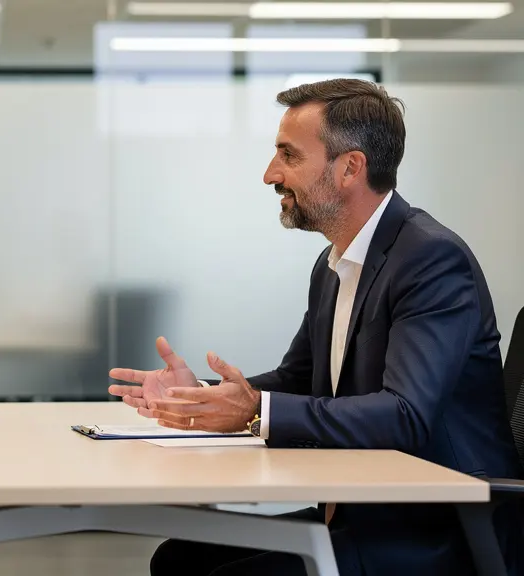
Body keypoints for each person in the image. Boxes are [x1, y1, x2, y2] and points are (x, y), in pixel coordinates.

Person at [109, 79, 522, 575]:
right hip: (360, 510)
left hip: (436, 529)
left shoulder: (430, 259)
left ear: (350, 168)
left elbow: (405, 415)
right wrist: (201, 396)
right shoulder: (334, 265)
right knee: (180, 559)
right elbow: (300, 380)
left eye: (289, 155)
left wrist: (254, 411)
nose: (270, 174)